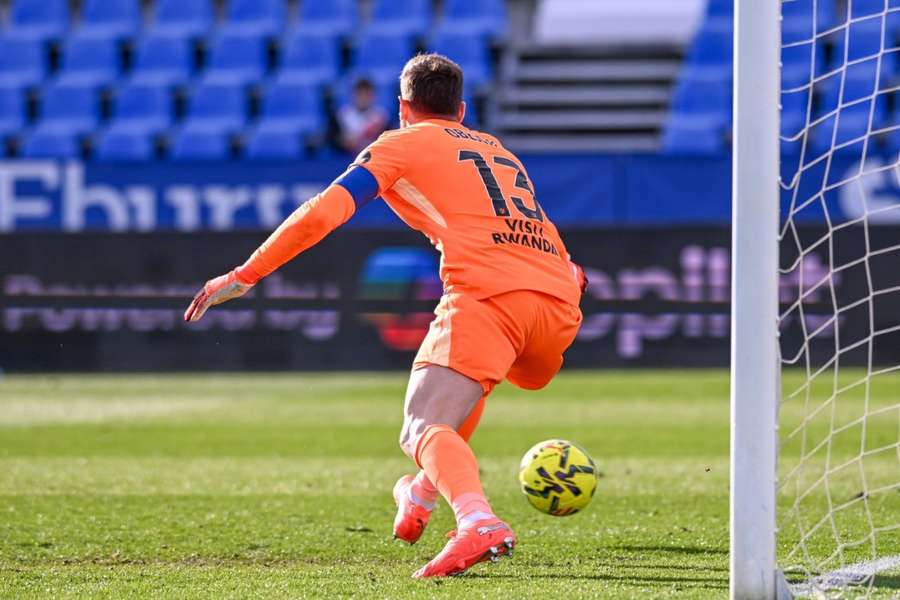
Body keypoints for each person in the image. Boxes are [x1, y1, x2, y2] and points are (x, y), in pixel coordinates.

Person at [184, 54, 586, 578]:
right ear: (460, 110)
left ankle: (477, 520)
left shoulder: (401, 142)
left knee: (422, 425)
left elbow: (325, 210)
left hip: (491, 297)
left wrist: (245, 274)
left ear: (401, 107)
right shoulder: (496, 148)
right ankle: (421, 489)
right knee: (471, 386)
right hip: (559, 300)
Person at [336, 78, 389, 154]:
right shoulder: (342, 115)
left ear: (373, 96)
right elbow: (337, 142)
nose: (363, 98)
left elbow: (386, 142)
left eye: (367, 94)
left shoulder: (381, 116)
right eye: (360, 94)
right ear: (353, 95)